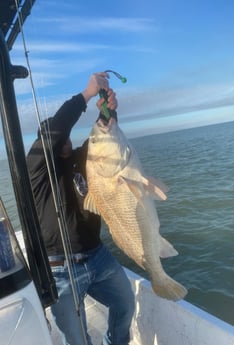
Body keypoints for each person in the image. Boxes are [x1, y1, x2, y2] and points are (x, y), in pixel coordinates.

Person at [27, 72, 135, 345]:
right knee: (77, 340)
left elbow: (104, 139)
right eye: (55, 134)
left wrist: (107, 110)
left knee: (125, 304)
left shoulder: (81, 159)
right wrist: (86, 95)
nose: (63, 138)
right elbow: (59, 126)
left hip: (98, 256)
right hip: (60, 270)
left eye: (64, 135)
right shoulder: (37, 169)